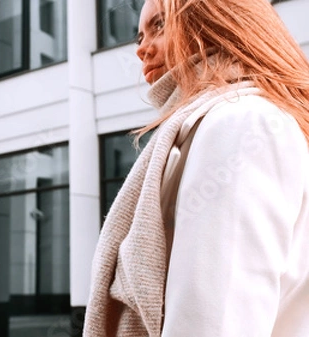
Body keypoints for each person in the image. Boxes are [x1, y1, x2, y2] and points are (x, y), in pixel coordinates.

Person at [84, 0, 309, 336]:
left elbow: (216, 321)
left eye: (159, 25)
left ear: (218, 21)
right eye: (138, 36)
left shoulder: (243, 122)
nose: (141, 49)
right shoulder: (218, 124)